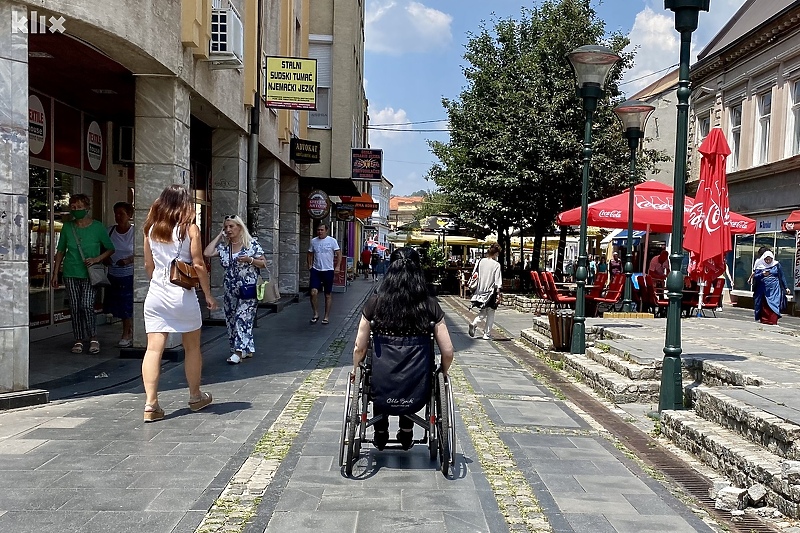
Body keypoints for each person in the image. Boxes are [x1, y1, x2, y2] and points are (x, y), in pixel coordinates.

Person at [352, 247, 455, 450]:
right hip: (417, 380)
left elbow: (359, 348)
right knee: (411, 375)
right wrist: (443, 372)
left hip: (382, 377)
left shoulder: (375, 303)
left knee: (377, 373)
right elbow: (448, 352)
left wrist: (356, 369)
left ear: (391, 269)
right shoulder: (430, 305)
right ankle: (407, 431)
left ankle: (380, 432)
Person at [142, 185, 218, 422]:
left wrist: (158, 282)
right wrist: (208, 294)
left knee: (153, 349)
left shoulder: (151, 228)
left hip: (156, 294)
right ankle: (195, 396)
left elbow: (148, 265)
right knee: (192, 347)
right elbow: (198, 264)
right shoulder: (190, 229)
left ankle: (151, 405)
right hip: (182, 294)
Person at [52, 193, 115, 355]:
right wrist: (55, 273)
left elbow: (110, 248)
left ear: (87, 208)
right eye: (73, 207)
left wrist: (96, 259)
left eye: (79, 207)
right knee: (75, 307)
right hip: (70, 272)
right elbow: (60, 251)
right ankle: (78, 339)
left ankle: (93, 337)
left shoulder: (97, 227)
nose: (76, 210)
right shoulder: (67, 227)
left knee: (86, 305)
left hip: (90, 273)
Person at [204, 214, 267, 364]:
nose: (228, 229)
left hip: (248, 288)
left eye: (231, 226)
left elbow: (264, 263)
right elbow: (207, 253)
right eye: (226, 227)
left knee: (241, 317)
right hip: (230, 289)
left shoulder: (251, 245)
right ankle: (246, 348)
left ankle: (237, 352)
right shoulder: (224, 248)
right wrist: (219, 236)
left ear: (239, 227)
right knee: (231, 319)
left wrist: (250, 260)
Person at [105, 202, 135, 347]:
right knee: (115, 306)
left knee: (126, 306)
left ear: (129, 215)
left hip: (129, 274)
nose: (118, 217)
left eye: (121, 214)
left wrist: (128, 260)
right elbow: (102, 249)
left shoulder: (135, 232)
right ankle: (129, 329)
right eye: (116, 213)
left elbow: (143, 252)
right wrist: (105, 258)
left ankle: (126, 333)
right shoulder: (109, 231)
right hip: (113, 274)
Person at [307, 223, 341, 324]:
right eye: (318, 230)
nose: (320, 232)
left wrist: (338, 266)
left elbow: (339, 253)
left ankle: (326, 316)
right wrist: (310, 265)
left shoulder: (332, 241)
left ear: (326, 230)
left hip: (328, 270)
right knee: (313, 292)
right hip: (316, 270)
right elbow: (309, 253)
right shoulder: (313, 241)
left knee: (328, 294)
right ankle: (315, 314)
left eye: (322, 230)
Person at [468, 243, 503, 340]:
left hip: (480, 291)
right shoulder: (496, 265)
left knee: (483, 311)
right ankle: (486, 334)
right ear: (496, 253)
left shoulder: (480, 261)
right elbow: (497, 281)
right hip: (490, 292)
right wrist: (499, 294)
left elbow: (474, 274)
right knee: (491, 312)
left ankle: (474, 323)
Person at [753, 250, 790, 325]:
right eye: (766, 259)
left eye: (769, 259)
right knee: (765, 305)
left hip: (774, 289)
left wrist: (786, 287)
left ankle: (773, 320)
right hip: (763, 290)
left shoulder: (776, 265)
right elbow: (756, 277)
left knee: (774, 304)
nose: (768, 261)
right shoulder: (760, 266)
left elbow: (781, 276)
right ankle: (765, 320)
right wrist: (762, 274)